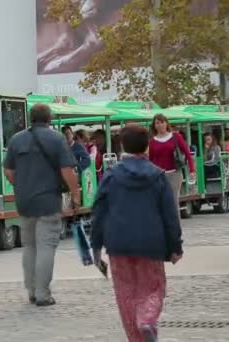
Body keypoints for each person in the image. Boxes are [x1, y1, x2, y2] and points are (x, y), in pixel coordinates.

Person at [91, 125, 183, 342]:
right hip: (151, 245)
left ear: (122, 145)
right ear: (147, 147)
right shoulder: (158, 176)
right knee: (153, 289)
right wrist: (175, 247)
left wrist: (96, 247)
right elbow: (170, 215)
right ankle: (148, 319)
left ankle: (136, 337)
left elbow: (99, 212)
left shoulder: (111, 176)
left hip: (118, 245)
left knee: (126, 295)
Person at [3, 104, 80, 306]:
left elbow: (8, 171)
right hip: (48, 200)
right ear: (49, 119)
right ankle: (43, 294)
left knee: (29, 246)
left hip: (24, 201)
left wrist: (20, 185)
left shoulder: (16, 139)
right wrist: (76, 194)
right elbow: (67, 170)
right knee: (46, 246)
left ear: (30, 118)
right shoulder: (56, 139)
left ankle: (31, 290)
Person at [148, 114, 195, 210]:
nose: (160, 125)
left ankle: (175, 223)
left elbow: (187, 153)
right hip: (159, 175)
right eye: (157, 123)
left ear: (166, 123)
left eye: (162, 122)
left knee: (173, 201)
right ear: (154, 126)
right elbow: (151, 160)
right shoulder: (152, 141)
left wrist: (191, 170)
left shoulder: (176, 136)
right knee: (160, 202)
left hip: (174, 173)